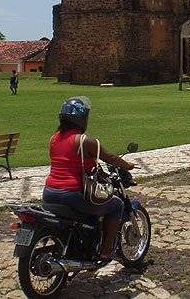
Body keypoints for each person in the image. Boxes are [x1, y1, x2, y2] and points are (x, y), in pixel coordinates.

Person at [43, 96, 135, 260]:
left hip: (49, 193)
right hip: (72, 194)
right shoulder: (85, 141)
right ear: (82, 119)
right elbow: (110, 158)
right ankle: (106, 251)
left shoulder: (53, 138)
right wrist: (127, 165)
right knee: (116, 204)